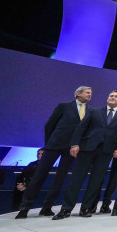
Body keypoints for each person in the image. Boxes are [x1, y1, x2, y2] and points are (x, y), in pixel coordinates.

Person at [53, 90, 117, 220]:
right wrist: (74, 144)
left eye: (116, 96)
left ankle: (86, 208)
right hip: (87, 149)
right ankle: (66, 209)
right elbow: (81, 128)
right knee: (76, 180)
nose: (113, 98)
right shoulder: (94, 111)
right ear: (107, 98)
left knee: (96, 181)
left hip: (106, 151)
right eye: (111, 96)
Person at [16, 86, 92, 219]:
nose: (90, 95)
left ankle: (47, 207)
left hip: (71, 148)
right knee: (39, 176)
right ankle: (24, 208)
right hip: (54, 145)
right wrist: (49, 143)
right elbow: (49, 124)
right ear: (78, 94)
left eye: (91, 93)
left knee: (60, 179)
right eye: (87, 92)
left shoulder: (90, 110)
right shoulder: (64, 106)